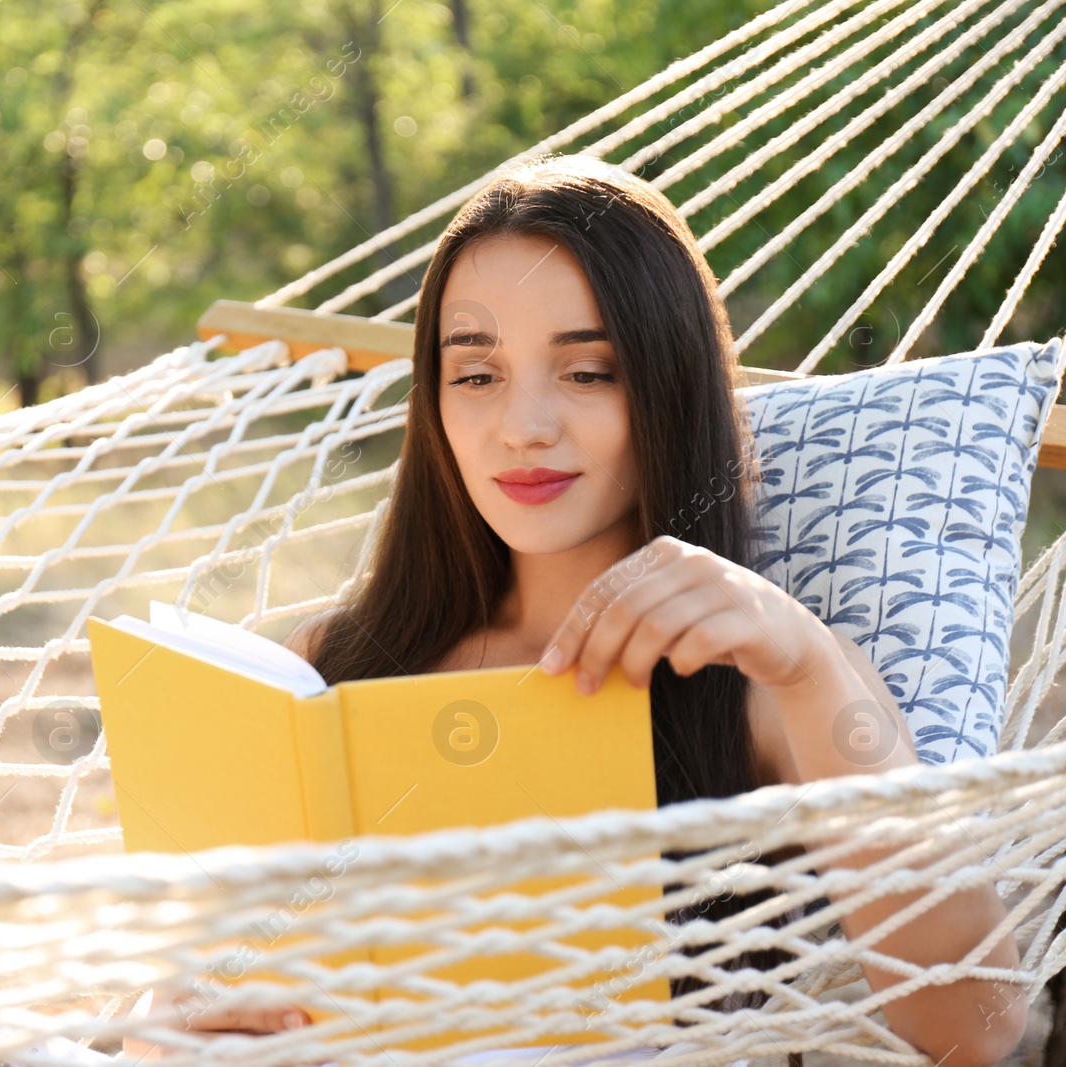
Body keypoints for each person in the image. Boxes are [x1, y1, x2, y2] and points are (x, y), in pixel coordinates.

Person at [121, 153, 1024, 1067]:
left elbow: (978, 1029)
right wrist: (173, 1034)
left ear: (667, 388)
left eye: (587, 371)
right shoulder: (328, 669)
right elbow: (188, 1002)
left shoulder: (765, 685)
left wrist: (806, 661)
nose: (524, 425)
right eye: (476, 375)